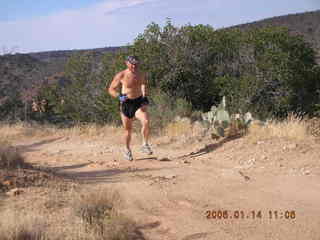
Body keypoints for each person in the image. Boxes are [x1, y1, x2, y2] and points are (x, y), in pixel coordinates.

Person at [108, 55, 153, 161]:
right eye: (132, 64)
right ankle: (127, 150)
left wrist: (144, 97)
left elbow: (143, 84)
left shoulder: (141, 74)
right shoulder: (121, 75)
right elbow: (111, 89)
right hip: (126, 103)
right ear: (126, 63)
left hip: (138, 102)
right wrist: (119, 96)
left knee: (146, 121)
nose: (134, 66)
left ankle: (145, 145)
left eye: (136, 63)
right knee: (128, 130)